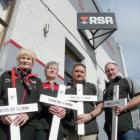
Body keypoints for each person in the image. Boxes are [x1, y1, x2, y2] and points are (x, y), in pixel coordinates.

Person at [0, 48, 43, 140]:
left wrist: (28, 115)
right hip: (5, 120)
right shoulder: (6, 75)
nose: (25, 60)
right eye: (23, 58)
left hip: (28, 122)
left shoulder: (37, 81)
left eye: (29, 59)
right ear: (18, 60)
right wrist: (2, 115)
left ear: (32, 62)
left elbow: (40, 102)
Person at [103, 62, 140, 140]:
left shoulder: (127, 80)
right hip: (111, 132)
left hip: (128, 129)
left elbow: (139, 97)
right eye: (108, 71)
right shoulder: (105, 90)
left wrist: (125, 107)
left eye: (112, 69)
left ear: (118, 70)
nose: (110, 72)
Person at [66, 63, 102, 140]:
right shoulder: (65, 89)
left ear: (85, 74)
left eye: (82, 72)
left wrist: (90, 115)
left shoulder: (92, 87)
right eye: (77, 71)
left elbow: (101, 105)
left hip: (89, 130)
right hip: (70, 131)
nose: (79, 73)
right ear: (72, 73)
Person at [38, 61, 67, 140]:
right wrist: (47, 108)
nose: (52, 70)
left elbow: (67, 104)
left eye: (55, 69)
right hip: (41, 124)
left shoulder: (62, 89)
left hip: (59, 126)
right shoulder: (39, 85)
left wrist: (64, 110)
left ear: (57, 73)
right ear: (45, 71)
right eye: (50, 68)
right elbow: (35, 101)